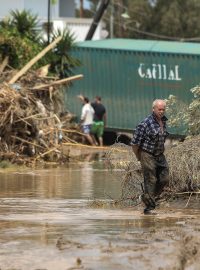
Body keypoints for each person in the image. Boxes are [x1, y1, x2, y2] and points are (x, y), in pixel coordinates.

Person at [131, 99, 169, 215]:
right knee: (151, 180)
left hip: (159, 154)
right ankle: (149, 208)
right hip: (147, 154)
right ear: (153, 109)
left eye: (163, 109)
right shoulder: (145, 123)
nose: (161, 111)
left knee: (164, 179)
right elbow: (135, 143)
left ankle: (147, 197)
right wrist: (139, 156)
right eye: (159, 109)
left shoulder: (163, 121)